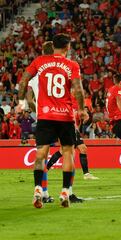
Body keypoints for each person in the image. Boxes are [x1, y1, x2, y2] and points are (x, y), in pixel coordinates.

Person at [16, 33, 87, 208]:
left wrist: (21, 102)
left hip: (45, 116)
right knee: (68, 152)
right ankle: (65, 191)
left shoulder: (40, 62)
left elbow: (24, 80)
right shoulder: (71, 65)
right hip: (65, 116)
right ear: (67, 47)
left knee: (41, 154)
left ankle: (39, 189)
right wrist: (82, 109)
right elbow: (78, 89)